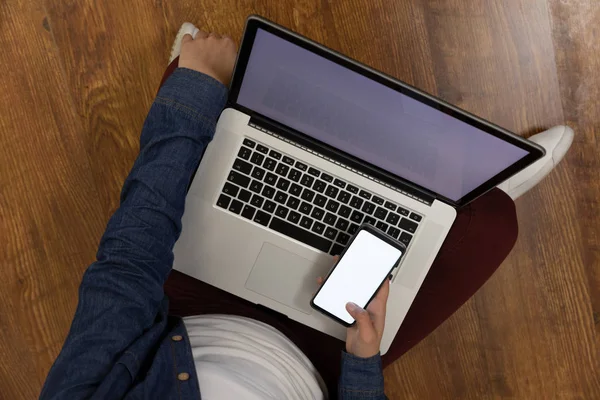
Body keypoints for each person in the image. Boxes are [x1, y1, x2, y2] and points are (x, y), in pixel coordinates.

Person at [39, 23, 573, 400]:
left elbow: (127, 267)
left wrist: (193, 87)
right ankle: (477, 183)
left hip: (193, 310)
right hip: (325, 353)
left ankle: (466, 188)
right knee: (496, 225)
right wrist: (362, 365)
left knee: (189, 84)